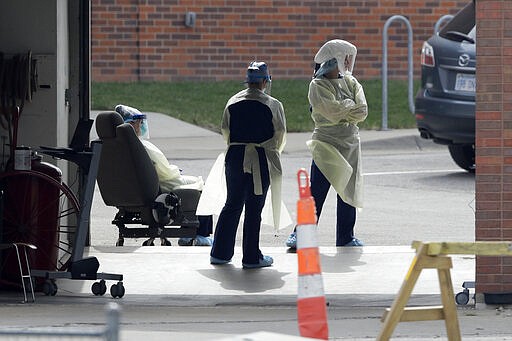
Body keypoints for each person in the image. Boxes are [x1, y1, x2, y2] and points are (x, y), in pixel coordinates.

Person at [286, 39, 368, 249]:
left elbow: (362, 111)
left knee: (348, 192)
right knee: (317, 192)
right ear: (335, 59)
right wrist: (348, 107)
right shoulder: (317, 85)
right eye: (345, 58)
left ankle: (346, 236)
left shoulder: (352, 82)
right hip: (326, 143)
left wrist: (344, 109)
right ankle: (301, 235)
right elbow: (330, 112)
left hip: (349, 143)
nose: (349, 62)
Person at [209, 61, 287, 269]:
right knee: (254, 207)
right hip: (260, 157)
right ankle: (251, 256)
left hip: (234, 156)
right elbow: (279, 134)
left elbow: (225, 130)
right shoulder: (272, 104)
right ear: (264, 81)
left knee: (232, 203)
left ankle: (220, 252)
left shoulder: (232, 102)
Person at [115, 104, 213, 246]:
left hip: (136, 191)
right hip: (162, 185)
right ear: (130, 125)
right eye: (139, 123)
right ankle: (200, 235)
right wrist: (175, 170)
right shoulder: (142, 147)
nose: (141, 126)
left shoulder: (117, 148)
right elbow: (165, 172)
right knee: (203, 186)